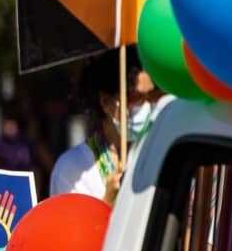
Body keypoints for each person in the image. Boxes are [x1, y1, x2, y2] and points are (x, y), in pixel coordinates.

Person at [49, 51, 165, 202]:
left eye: (151, 96)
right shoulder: (72, 170)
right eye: (137, 99)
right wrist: (109, 202)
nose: (147, 106)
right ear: (106, 102)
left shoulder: (162, 156)